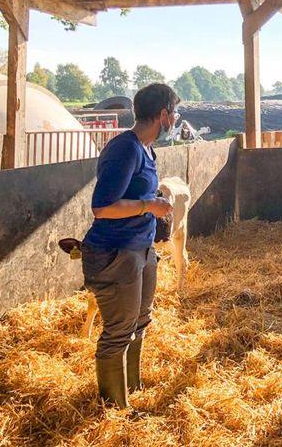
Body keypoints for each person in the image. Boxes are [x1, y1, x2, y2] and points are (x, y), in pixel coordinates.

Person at [81, 83, 177, 408]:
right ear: (163, 115)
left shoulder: (148, 150)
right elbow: (103, 207)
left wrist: (157, 204)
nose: (175, 120)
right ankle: (114, 411)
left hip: (140, 248)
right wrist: (151, 205)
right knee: (118, 332)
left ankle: (132, 390)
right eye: (174, 113)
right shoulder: (126, 148)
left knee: (140, 320)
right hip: (114, 252)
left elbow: (139, 197)